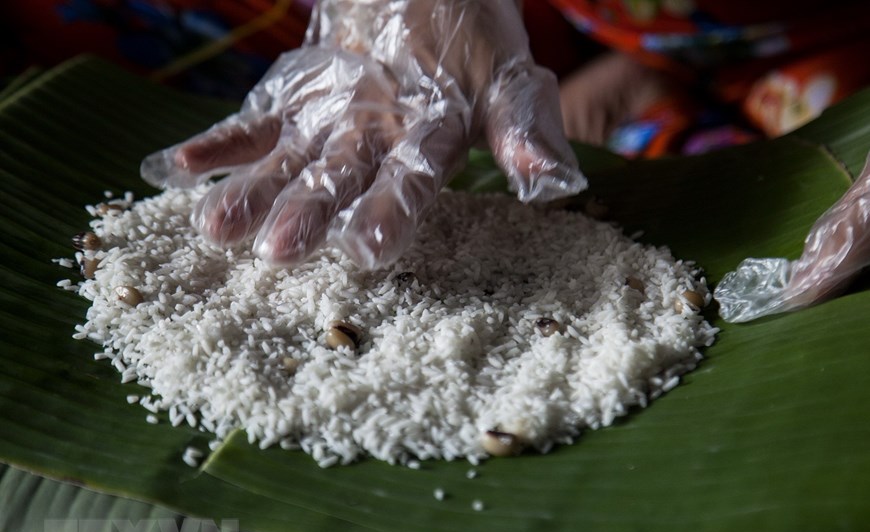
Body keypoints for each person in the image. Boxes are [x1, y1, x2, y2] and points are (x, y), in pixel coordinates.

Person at [140, 0, 870, 323]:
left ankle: (651, 91)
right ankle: (637, 78)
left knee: (793, 146)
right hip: (606, 14)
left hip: (813, 32)